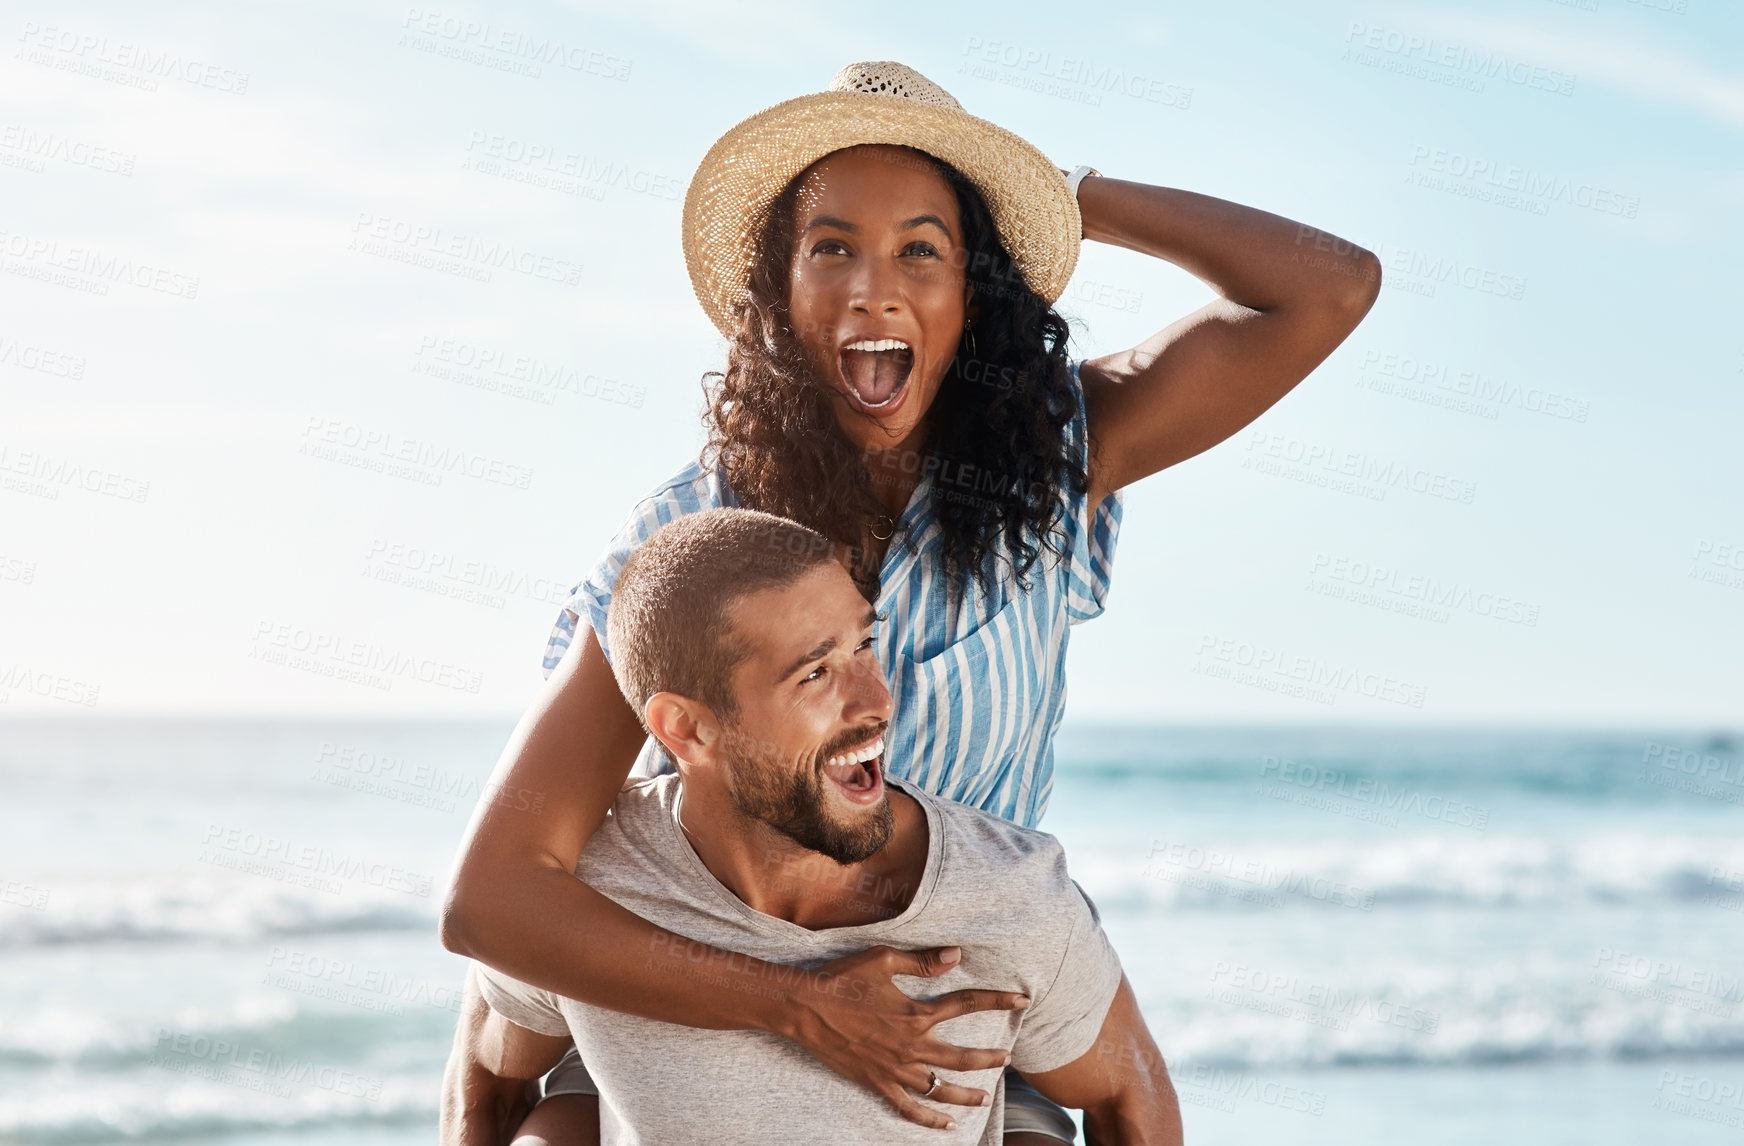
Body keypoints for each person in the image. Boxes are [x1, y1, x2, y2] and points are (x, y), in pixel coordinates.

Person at [441, 60, 1379, 1143]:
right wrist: (801, 1006)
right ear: (778, 292)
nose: (871, 287)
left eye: (921, 250)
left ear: (973, 293)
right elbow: (496, 896)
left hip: (957, 968)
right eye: (830, 247)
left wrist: (1052, 193)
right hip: (702, 969)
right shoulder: (685, 544)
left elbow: (1328, 286)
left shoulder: (1050, 470)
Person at [440, 509, 1181, 1146]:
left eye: (864, 644)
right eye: (815, 674)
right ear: (687, 728)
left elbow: (1129, 1094)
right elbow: (491, 1075)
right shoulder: (596, 889)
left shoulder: (1010, 900)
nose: (878, 700)